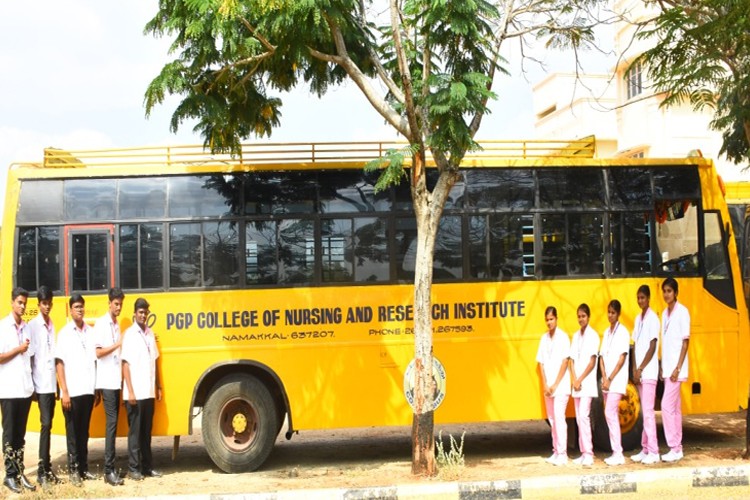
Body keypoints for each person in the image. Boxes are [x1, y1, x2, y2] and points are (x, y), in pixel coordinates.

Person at [55, 293, 98, 486]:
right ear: (70, 310)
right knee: (72, 432)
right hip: (71, 392)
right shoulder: (64, 333)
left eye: (81, 306)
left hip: (87, 390)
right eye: (76, 307)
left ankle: (83, 468)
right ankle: (73, 471)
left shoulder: (90, 332)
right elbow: (59, 363)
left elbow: (94, 362)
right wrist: (64, 391)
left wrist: (95, 389)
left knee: (84, 432)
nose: (79, 310)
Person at [122, 298, 163, 480]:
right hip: (135, 393)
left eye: (146, 312)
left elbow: (155, 360)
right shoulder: (130, 334)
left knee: (146, 432)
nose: (143, 315)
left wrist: (158, 386)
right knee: (135, 433)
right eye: (140, 312)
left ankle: (147, 467)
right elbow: (125, 364)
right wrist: (130, 391)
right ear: (135, 313)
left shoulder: (150, 333)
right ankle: (133, 468)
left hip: (148, 392)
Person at [0, 287, 36, 493]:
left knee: (21, 435)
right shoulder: (3, 327)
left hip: (24, 389)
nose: (23, 306)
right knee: (10, 434)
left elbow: (29, 356)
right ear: (12, 302)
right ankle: (9, 475)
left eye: (25, 303)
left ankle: (19, 471)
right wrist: (17, 349)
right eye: (20, 302)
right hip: (8, 390)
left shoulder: (27, 328)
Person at [28, 286, 62, 487]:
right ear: (38, 304)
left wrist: (57, 384)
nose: (47, 306)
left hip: (50, 384)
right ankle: (42, 471)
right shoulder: (33, 326)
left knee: (48, 426)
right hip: (40, 385)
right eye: (44, 303)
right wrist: (32, 385)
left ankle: (47, 469)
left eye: (49, 303)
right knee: (45, 424)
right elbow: (32, 357)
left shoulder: (52, 325)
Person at [94, 287, 125, 486]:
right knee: (111, 424)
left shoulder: (116, 325)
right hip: (106, 381)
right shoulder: (102, 324)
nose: (118, 307)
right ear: (109, 303)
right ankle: (108, 470)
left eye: (121, 304)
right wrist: (117, 344)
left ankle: (111, 469)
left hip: (115, 381)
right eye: (116, 304)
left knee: (113, 425)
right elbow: (98, 352)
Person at [536, 306, 570, 466]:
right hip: (548, 387)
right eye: (547, 320)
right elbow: (541, 363)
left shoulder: (563, 337)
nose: (549, 322)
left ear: (556, 319)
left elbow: (565, 362)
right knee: (552, 419)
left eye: (551, 319)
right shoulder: (544, 338)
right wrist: (545, 384)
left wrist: (555, 384)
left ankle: (562, 453)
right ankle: (555, 451)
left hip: (560, 386)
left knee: (559, 417)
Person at [660, 277, 690, 463]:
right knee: (676, 409)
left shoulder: (683, 312)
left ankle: (673, 446)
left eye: (669, 291)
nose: (666, 294)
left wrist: (678, 367)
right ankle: (677, 448)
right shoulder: (664, 313)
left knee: (665, 406)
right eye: (664, 291)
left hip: (676, 370)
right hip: (667, 369)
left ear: (676, 293)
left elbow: (685, 343)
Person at [630, 285, 660, 465]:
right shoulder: (637, 319)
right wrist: (634, 368)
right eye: (638, 298)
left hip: (648, 373)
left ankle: (654, 451)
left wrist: (640, 368)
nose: (640, 300)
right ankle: (645, 448)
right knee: (644, 413)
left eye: (643, 297)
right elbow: (634, 346)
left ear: (648, 298)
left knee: (649, 413)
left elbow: (652, 346)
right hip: (640, 373)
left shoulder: (653, 319)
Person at [599, 299, 630, 466]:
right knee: (609, 416)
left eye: (613, 312)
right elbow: (602, 357)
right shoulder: (607, 332)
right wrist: (604, 377)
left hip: (616, 382)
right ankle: (615, 451)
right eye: (609, 312)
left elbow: (622, 358)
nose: (610, 315)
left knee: (610, 414)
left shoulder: (623, 332)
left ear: (618, 314)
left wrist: (610, 379)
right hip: (607, 382)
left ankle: (618, 453)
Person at [568, 303, 599, 467]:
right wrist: (574, 378)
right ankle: (583, 451)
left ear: (589, 317)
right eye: (579, 316)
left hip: (586, 384)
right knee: (579, 419)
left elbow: (592, 362)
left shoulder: (593, 335)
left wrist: (580, 379)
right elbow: (571, 360)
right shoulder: (575, 336)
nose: (581, 319)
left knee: (584, 416)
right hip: (577, 384)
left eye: (583, 316)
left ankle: (589, 453)